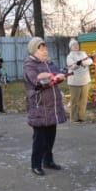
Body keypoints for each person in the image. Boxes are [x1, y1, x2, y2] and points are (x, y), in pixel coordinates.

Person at [23, 37, 67, 176]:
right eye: (40, 48)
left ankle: (48, 161)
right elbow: (38, 82)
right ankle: (35, 164)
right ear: (33, 51)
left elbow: (55, 76)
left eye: (45, 48)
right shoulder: (29, 65)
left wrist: (60, 76)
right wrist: (52, 77)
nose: (44, 51)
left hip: (52, 106)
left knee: (50, 137)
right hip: (39, 106)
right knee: (39, 139)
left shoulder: (49, 63)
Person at [66, 38, 92, 123]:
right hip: (74, 82)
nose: (76, 46)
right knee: (75, 101)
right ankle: (74, 118)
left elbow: (90, 61)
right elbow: (72, 66)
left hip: (85, 80)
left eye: (76, 44)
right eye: (73, 45)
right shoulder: (70, 56)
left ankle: (82, 117)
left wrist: (82, 63)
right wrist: (78, 64)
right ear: (70, 47)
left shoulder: (83, 53)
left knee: (84, 100)